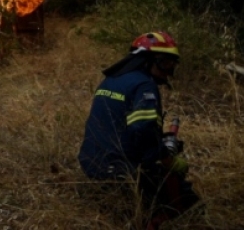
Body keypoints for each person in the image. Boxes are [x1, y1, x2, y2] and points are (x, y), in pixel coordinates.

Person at [78, 31, 201, 230]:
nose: (169, 70)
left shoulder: (111, 80)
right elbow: (143, 132)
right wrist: (168, 159)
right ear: (147, 60)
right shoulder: (145, 85)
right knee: (188, 200)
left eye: (172, 64)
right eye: (165, 62)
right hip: (118, 172)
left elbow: (123, 127)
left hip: (90, 163)